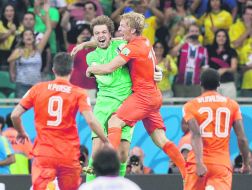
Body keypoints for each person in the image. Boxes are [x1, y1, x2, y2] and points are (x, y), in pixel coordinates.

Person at [86, 12, 186, 179]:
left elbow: (109, 68)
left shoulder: (131, 48)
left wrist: (90, 69)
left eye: (123, 26)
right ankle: (187, 171)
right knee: (160, 139)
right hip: (154, 96)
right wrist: (84, 45)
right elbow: (116, 42)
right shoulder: (145, 41)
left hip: (143, 97)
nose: (119, 29)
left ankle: (106, 165)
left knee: (114, 121)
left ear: (132, 30)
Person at [10, 52, 108, 190]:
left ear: (53, 70)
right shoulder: (78, 92)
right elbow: (91, 120)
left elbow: (14, 115)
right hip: (68, 154)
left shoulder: (38, 89)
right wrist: (105, 141)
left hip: (44, 154)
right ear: (71, 70)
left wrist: (21, 132)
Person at [72, 15, 134, 182]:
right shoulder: (90, 57)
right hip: (103, 105)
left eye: (104, 32)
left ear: (110, 34)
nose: (100, 36)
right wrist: (94, 68)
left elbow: (141, 51)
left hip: (125, 105)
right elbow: (106, 77)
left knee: (122, 155)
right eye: (97, 33)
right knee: (97, 150)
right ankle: (92, 185)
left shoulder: (121, 45)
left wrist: (156, 71)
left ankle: (117, 185)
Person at [182, 68, 251, 190]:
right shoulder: (232, 105)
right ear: (219, 84)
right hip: (221, 164)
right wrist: (246, 163)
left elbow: (196, 135)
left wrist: (199, 163)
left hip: (197, 163)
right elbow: (242, 139)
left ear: (200, 84)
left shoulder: (190, 106)